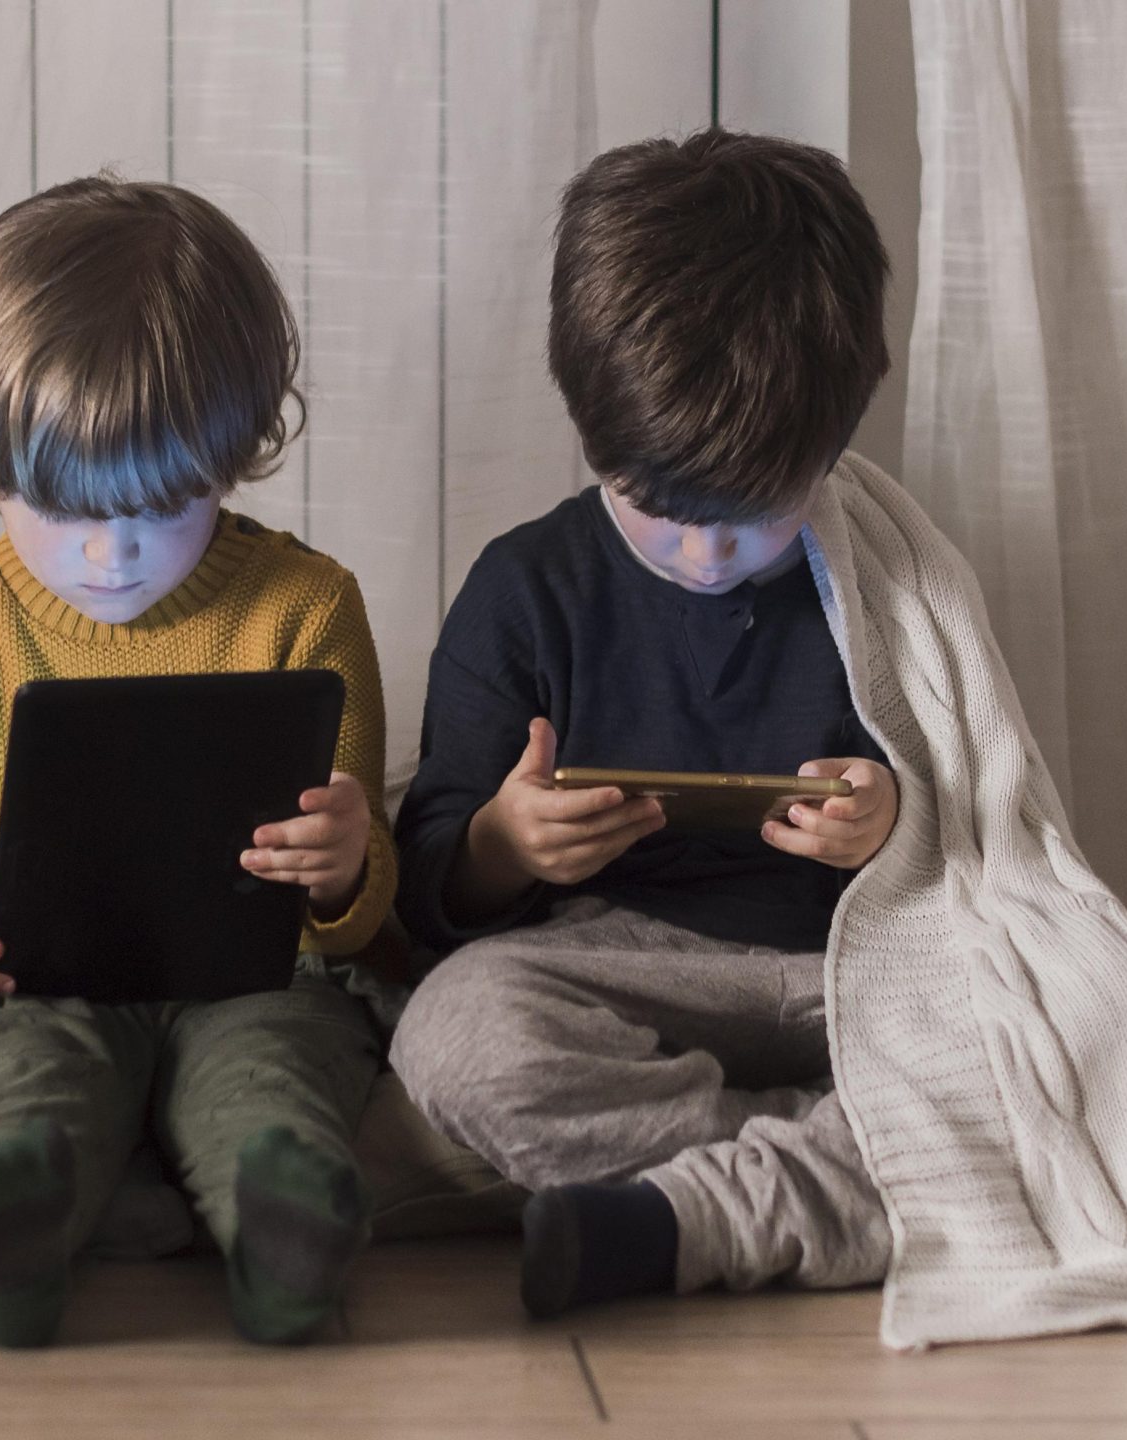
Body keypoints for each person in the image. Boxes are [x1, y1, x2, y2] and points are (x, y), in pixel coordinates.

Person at [0, 176, 393, 1349]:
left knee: (276, 1074)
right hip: (39, 982)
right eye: (64, 504)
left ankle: (286, 1233)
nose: (110, 552)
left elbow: (361, 895)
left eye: (163, 505)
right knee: (24, 1073)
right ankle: (14, 1218)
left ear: (232, 459)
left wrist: (340, 868)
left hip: (250, 981)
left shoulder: (307, 608)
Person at [390, 130, 899, 1317]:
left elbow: (989, 824)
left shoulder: (887, 581)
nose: (703, 550)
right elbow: (424, 885)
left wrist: (892, 822)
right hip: (613, 969)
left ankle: (685, 1216)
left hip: (853, 972)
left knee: (1064, 1037)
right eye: (657, 508)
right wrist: (503, 849)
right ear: (588, 429)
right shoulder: (526, 589)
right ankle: (823, 1172)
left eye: (756, 512)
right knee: (457, 1034)